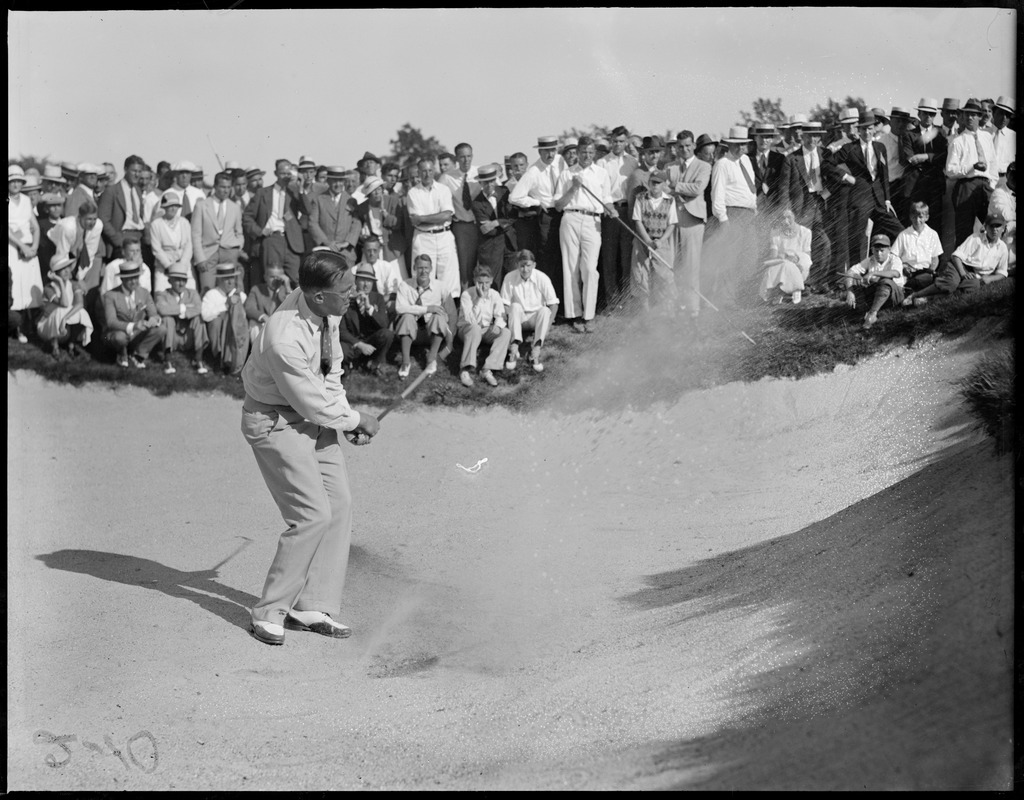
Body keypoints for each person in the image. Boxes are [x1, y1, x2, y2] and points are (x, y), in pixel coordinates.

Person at [241, 248, 380, 646]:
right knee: (311, 514)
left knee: (339, 505)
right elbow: (310, 401)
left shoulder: (326, 311)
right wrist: (355, 420)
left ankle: (311, 603)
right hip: (274, 421)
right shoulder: (284, 338)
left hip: (312, 417)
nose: (352, 294)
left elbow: (329, 373)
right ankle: (269, 611)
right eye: (346, 290)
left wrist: (345, 414)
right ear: (318, 295)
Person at [553, 136, 613, 334]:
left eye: (590, 152)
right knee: (571, 268)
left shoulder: (602, 173)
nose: (587, 156)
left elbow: (607, 200)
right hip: (570, 218)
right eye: (583, 152)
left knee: (589, 269)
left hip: (593, 221)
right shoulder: (566, 174)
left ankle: (589, 315)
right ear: (577, 153)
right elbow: (558, 205)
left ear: (594, 153)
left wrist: (611, 209)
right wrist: (574, 187)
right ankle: (575, 315)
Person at [825, 111, 896, 271]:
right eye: (863, 129)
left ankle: (891, 269)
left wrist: (887, 199)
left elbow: (884, 174)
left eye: (870, 128)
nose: (867, 132)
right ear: (859, 130)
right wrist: (844, 176)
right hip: (856, 197)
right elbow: (827, 164)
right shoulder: (847, 147)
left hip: (878, 198)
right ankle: (855, 275)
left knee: (895, 229)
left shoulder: (880, 146)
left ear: (874, 129)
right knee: (857, 238)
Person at [903, 213, 1009, 305]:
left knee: (973, 287)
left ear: (1003, 228)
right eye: (991, 226)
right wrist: (962, 273)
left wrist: (990, 278)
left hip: (974, 274)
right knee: (951, 283)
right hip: (960, 265)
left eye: (998, 226)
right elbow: (956, 256)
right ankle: (915, 295)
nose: (995, 229)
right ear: (985, 227)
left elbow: (1002, 272)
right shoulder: (976, 238)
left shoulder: (1003, 248)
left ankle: (927, 299)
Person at [708, 125, 759, 306]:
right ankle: (726, 300)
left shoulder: (746, 161)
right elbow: (717, 193)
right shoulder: (722, 164)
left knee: (750, 257)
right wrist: (723, 219)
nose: (740, 148)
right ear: (729, 145)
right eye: (736, 145)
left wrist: (754, 207)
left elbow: (750, 187)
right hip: (732, 213)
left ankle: (738, 295)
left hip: (748, 214)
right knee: (730, 258)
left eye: (743, 144)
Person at [509, 135, 564, 300]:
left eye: (553, 150)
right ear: (539, 151)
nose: (550, 154)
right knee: (547, 258)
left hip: (563, 213)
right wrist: (536, 202)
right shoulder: (533, 171)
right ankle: (546, 301)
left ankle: (561, 304)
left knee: (562, 258)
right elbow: (515, 197)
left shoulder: (561, 162)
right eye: (546, 151)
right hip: (546, 216)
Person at [666, 131, 713, 322]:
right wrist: (675, 188)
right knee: (671, 265)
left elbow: (698, 189)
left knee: (691, 265)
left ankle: (693, 309)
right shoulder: (670, 166)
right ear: (676, 147)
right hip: (671, 220)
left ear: (693, 146)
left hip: (693, 220)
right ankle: (673, 307)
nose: (684, 149)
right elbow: (664, 188)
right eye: (681, 146)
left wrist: (674, 187)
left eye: (687, 146)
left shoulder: (704, 166)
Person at [780, 121, 833, 289]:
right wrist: (786, 212)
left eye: (816, 135)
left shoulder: (826, 154)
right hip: (801, 206)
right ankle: (801, 282)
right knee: (801, 246)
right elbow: (783, 188)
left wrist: (826, 193)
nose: (813, 139)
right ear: (802, 136)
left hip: (820, 203)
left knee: (823, 243)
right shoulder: (791, 158)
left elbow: (836, 178)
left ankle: (821, 280)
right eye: (809, 135)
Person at [243, 159, 307, 286]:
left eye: (289, 173)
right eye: (283, 173)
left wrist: (301, 189)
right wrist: (259, 231)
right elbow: (247, 217)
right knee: (273, 280)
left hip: (292, 242)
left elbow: (307, 210)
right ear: (276, 173)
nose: (286, 177)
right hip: (271, 239)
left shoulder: (294, 193)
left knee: (297, 280)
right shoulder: (263, 193)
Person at [406, 156, 461, 301]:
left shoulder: (443, 190)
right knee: (423, 275)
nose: (427, 174)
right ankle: (423, 315)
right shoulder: (413, 193)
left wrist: (423, 218)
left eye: (430, 170)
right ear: (418, 172)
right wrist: (438, 216)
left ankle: (450, 313)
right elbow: (415, 220)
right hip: (423, 238)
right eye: (423, 171)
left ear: (434, 171)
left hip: (444, 236)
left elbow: (447, 215)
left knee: (449, 276)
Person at [945, 99, 997, 248]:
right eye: (967, 114)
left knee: (991, 226)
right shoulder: (958, 141)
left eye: (974, 115)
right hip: (966, 185)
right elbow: (950, 170)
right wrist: (971, 167)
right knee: (964, 230)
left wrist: (991, 185)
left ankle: (988, 264)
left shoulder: (987, 137)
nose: (970, 118)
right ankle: (962, 269)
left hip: (986, 186)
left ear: (980, 116)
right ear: (962, 116)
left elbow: (992, 163)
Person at [393, 253, 455, 379]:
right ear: (414, 268)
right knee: (407, 316)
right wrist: (427, 309)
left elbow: (452, 313)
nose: (423, 271)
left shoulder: (441, 286)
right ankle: (405, 362)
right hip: (409, 333)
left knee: (438, 316)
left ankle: (431, 358)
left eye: (426, 268)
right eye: (420, 267)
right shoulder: (405, 285)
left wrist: (450, 341)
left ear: (431, 269)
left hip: (430, 334)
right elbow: (399, 308)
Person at [598, 125, 638, 310]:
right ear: (610, 141)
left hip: (628, 209)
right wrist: (607, 207)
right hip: (609, 211)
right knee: (609, 257)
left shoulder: (632, 162)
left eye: (621, 141)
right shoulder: (602, 163)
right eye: (614, 141)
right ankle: (612, 301)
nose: (617, 144)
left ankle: (626, 299)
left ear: (626, 142)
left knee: (626, 257)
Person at [500, 249, 558, 373]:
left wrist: (547, 326)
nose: (525, 270)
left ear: (534, 265)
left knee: (545, 310)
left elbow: (553, 304)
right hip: (518, 319)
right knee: (514, 306)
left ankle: (535, 351)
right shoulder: (509, 277)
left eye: (528, 266)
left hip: (535, 319)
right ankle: (514, 349)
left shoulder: (542, 278)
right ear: (517, 265)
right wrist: (508, 320)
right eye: (522, 266)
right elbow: (504, 303)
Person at [630, 169, 679, 314]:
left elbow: (672, 224)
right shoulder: (640, 198)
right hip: (642, 241)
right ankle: (645, 313)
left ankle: (668, 312)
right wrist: (646, 240)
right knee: (640, 275)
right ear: (649, 183)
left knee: (665, 276)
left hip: (661, 243)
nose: (655, 186)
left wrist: (661, 241)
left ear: (664, 184)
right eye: (653, 182)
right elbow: (637, 221)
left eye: (659, 183)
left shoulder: (670, 200)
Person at [901, 98, 949, 244]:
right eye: (925, 113)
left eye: (932, 114)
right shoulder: (908, 134)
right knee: (914, 222)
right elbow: (909, 158)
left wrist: (925, 156)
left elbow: (944, 156)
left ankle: (934, 262)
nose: (928, 117)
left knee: (935, 223)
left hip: (934, 184)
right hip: (915, 185)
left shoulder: (940, 133)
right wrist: (932, 159)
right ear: (919, 114)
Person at [456, 264, 511, 387]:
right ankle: (465, 369)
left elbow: (500, 315)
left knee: (506, 332)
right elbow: (471, 320)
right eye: (480, 282)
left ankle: (487, 369)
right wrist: (479, 299)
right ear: (475, 281)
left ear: (491, 281)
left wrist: (498, 325)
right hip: (467, 330)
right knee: (475, 328)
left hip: (485, 329)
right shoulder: (467, 294)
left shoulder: (494, 294)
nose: (484, 286)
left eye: (487, 282)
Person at [102, 259, 164, 368]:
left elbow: (154, 313)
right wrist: (134, 325)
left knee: (161, 329)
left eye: (136, 277)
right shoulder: (110, 295)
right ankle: (121, 354)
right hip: (117, 333)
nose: (134, 281)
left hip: (137, 334)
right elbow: (111, 322)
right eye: (130, 279)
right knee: (119, 337)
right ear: (122, 279)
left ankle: (138, 355)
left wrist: (154, 320)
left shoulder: (144, 292)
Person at [191, 171, 244, 293]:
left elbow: (239, 232)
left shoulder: (234, 207)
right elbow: (196, 234)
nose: (226, 191)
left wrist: (237, 249)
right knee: (208, 290)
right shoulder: (202, 206)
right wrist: (200, 258)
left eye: (228, 187)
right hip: (208, 255)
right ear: (215, 187)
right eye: (222, 187)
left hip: (229, 253)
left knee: (231, 291)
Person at [339, 263, 394, 377]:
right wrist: (358, 344)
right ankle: (348, 367)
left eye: (369, 281)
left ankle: (374, 364)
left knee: (387, 334)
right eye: (362, 280)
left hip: (371, 342)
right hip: (353, 342)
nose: (366, 285)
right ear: (356, 281)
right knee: (342, 349)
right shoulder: (347, 299)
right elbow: (342, 331)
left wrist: (370, 308)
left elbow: (384, 324)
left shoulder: (377, 298)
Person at [840, 233, 905, 329]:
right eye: (876, 250)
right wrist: (850, 291)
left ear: (889, 249)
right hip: (876, 293)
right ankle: (859, 308)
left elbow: (895, 273)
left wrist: (874, 273)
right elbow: (850, 271)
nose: (879, 253)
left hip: (894, 296)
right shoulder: (870, 259)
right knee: (855, 280)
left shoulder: (895, 259)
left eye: (882, 250)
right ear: (872, 249)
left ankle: (872, 314)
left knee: (885, 282)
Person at [36, 255, 94, 359]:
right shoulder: (49, 288)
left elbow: (79, 304)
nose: (67, 271)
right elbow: (64, 303)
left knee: (81, 312)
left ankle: (71, 345)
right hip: (47, 327)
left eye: (67, 267)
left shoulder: (74, 284)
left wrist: (65, 319)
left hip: (64, 325)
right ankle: (55, 346)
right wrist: (60, 283)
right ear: (55, 273)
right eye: (62, 269)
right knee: (60, 310)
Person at [9, 165, 43, 341]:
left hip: (28, 248)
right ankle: (17, 329)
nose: (15, 184)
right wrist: (21, 246)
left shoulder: (25, 200)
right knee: (15, 287)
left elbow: (35, 226)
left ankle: (30, 327)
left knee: (30, 286)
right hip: (12, 247)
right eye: (12, 181)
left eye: (18, 181)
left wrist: (34, 246)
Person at [155, 263, 208, 374]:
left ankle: (198, 358)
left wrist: (177, 311)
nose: (181, 283)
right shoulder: (162, 294)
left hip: (189, 336)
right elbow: (162, 310)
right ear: (169, 281)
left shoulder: (192, 293)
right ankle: (167, 359)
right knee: (167, 319)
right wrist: (184, 307)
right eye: (177, 280)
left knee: (198, 319)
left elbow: (198, 308)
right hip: (172, 336)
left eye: (183, 280)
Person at [471, 163, 518, 286]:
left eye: (492, 181)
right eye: (485, 182)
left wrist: (496, 222)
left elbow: (513, 217)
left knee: (512, 279)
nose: (489, 184)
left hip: (509, 242)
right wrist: (503, 223)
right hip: (490, 246)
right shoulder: (476, 203)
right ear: (480, 183)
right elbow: (488, 231)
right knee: (493, 281)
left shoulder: (504, 192)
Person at [308, 166, 362, 269]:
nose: (338, 184)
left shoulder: (351, 200)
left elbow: (356, 223)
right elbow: (312, 223)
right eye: (334, 181)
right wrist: (327, 242)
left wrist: (347, 242)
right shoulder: (319, 200)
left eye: (341, 181)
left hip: (346, 253)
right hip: (325, 251)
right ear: (328, 181)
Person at [201, 262, 250, 375]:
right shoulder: (212, 294)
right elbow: (205, 315)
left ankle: (235, 360)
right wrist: (225, 306)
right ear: (219, 280)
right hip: (218, 332)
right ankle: (218, 358)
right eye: (226, 279)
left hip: (234, 334)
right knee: (216, 321)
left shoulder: (240, 295)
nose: (230, 282)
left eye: (232, 278)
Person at [97, 155, 146, 260]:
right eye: (134, 171)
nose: (137, 174)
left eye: (139, 171)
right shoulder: (112, 191)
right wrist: (118, 240)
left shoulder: (137, 190)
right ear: (125, 169)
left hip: (138, 237)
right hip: (122, 239)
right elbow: (103, 219)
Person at [759, 208, 812, 304]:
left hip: (799, 261)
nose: (786, 221)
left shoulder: (805, 232)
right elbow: (773, 256)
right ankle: (780, 291)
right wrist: (784, 257)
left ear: (795, 217)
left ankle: (795, 289)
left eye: (789, 217)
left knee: (795, 264)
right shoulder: (775, 233)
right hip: (782, 261)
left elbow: (807, 255)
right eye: (783, 218)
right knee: (784, 265)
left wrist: (796, 257)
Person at [893, 201, 944, 294]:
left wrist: (931, 270)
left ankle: (913, 293)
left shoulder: (932, 234)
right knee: (897, 283)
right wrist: (903, 267)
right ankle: (910, 293)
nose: (917, 220)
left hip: (925, 271)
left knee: (923, 280)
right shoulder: (904, 235)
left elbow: (935, 258)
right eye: (914, 217)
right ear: (910, 217)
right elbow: (894, 255)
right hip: (907, 272)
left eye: (920, 217)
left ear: (926, 217)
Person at [149, 193, 195, 293]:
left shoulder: (184, 222)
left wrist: (183, 263)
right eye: (170, 206)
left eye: (175, 206)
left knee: (189, 293)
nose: (173, 209)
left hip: (184, 264)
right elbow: (156, 249)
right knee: (161, 294)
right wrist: (169, 266)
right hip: (164, 267)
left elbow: (189, 245)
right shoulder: (156, 224)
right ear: (164, 208)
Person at [244, 262, 293, 346]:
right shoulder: (257, 289)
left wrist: (287, 286)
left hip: (281, 328)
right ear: (265, 277)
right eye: (272, 277)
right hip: (262, 327)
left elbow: (293, 309)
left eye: (278, 277)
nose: (275, 280)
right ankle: (258, 355)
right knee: (253, 323)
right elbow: (249, 308)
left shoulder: (286, 291)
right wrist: (264, 317)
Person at [990, 96, 1015, 181]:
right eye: (1001, 113)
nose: (1004, 118)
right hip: (985, 179)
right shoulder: (983, 134)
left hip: (1005, 180)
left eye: (1007, 115)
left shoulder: (1013, 137)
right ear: (993, 113)